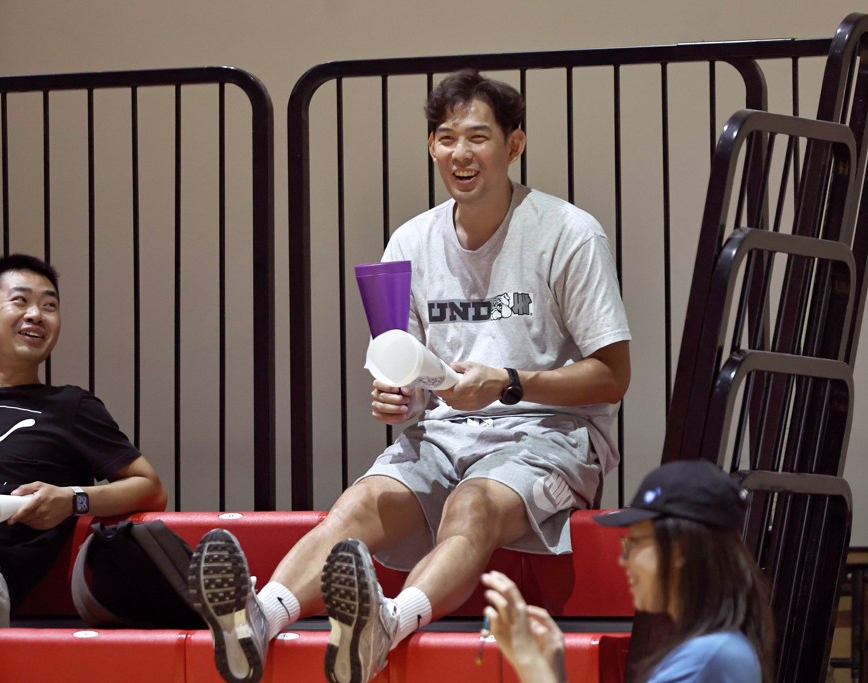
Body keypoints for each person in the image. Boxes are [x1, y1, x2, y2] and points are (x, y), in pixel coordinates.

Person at [188, 69, 631, 683]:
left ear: (515, 144)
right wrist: (397, 398)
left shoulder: (568, 233)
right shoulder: (410, 241)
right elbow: (405, 369)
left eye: (478, 137)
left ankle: (387, 624)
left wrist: (508, 381)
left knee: (473, 502)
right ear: (431, 147)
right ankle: (259, 619)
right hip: (443, 435)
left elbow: (612, 376)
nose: (461, 153)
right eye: (446, 138)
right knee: (358, 504)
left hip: (551, 436)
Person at [481, 460, 775, 683]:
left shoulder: (706, 659)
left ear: (680, 550)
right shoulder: (718, 649)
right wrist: (553, 670)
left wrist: (529, 661)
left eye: (634, 544)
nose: (624, 560)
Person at [0, 253, 167, 626]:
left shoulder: (69, 407)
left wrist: (71, 499)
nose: (36, 315)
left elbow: (150, 489)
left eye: (49, 306)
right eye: (20, 301)